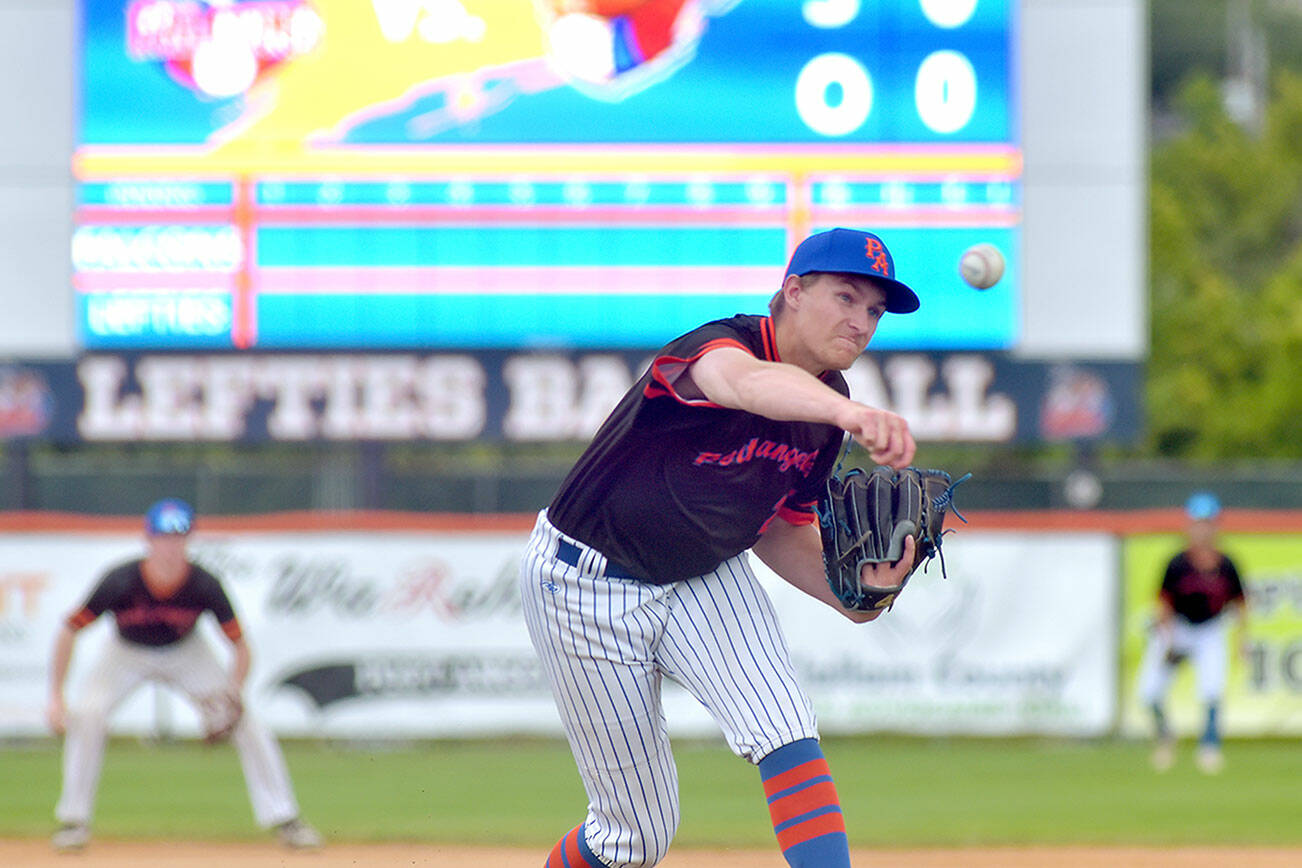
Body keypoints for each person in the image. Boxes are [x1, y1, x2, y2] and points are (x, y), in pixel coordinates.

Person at [520, 227, 921, 868]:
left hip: (704, 575)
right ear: (793, 291)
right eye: (846, 297)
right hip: (583, 585)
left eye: (874, 310)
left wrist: (856, 596)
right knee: (634, 838)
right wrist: (847, 415)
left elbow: (782, 528)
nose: (862, 321)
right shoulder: (717, 346)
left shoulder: (826, 412)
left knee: (787, 728)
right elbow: (744, 385)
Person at [46, 498, 322, 851]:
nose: (171, 546)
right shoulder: (121, 581)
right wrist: (56, 696)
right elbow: (69, 629)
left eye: (179, 538)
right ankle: (73, 821)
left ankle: (286, 818)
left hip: (186, 652)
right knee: (88, 714)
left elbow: (241, 646)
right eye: (164, 537)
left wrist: (232, 693)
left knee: (247, 724)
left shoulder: (203, 584)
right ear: (148, 540)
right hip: (125, 652)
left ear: (189, 541)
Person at [1136, 491, 1247, 774]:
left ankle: (1209, 746)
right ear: (1189, 525)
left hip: (1209, 629)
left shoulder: (1226, 565)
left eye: (1208, 522)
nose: (1203, 529)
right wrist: (1169, 640)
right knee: (1149, 690)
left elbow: (1240, 603)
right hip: (1179, 628)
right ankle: (1165, 738)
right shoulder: (1178, 564)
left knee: (1211, 688)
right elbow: (1163, 603)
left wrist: (1240, 640)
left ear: (1216, 526)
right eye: (1198, 522)